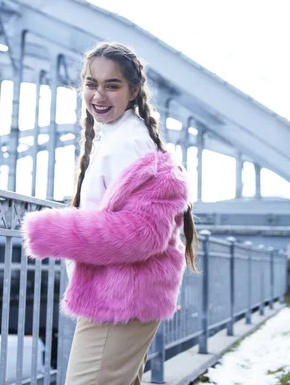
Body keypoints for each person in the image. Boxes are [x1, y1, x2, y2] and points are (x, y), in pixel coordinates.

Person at [22, 41, 198, 385]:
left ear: (133, 91)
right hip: (123, 295)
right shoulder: (120, 135)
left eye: (112, 85)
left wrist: (51, 231)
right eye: (91, 84)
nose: (98, 95)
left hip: (120, 299)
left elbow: (141, 234)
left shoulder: (127, 142)